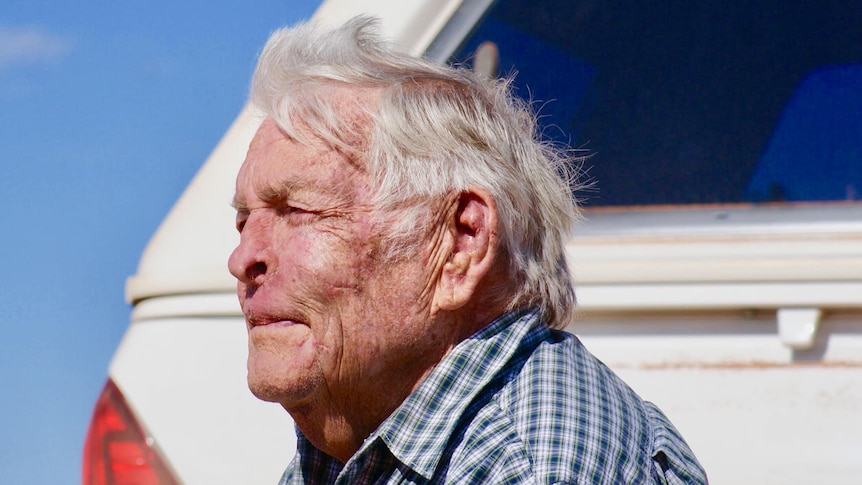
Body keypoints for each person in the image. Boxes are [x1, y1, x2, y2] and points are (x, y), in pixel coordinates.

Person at [228, 16, 707, 485]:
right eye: (244, 221)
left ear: (461, 242)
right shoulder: (353, 449)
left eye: (298, 211)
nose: (242, 259)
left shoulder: (531, 469)